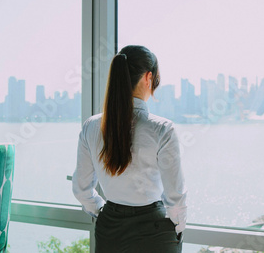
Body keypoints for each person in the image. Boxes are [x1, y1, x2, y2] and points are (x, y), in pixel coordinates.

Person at [72, 45, 187, 252]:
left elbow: (82, 189)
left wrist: (103, 212)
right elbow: (175, 196)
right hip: (155, 231)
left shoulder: (91, 126)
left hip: (110, 230)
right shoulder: (162, 129)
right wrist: (177, 228)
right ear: (148, 77)